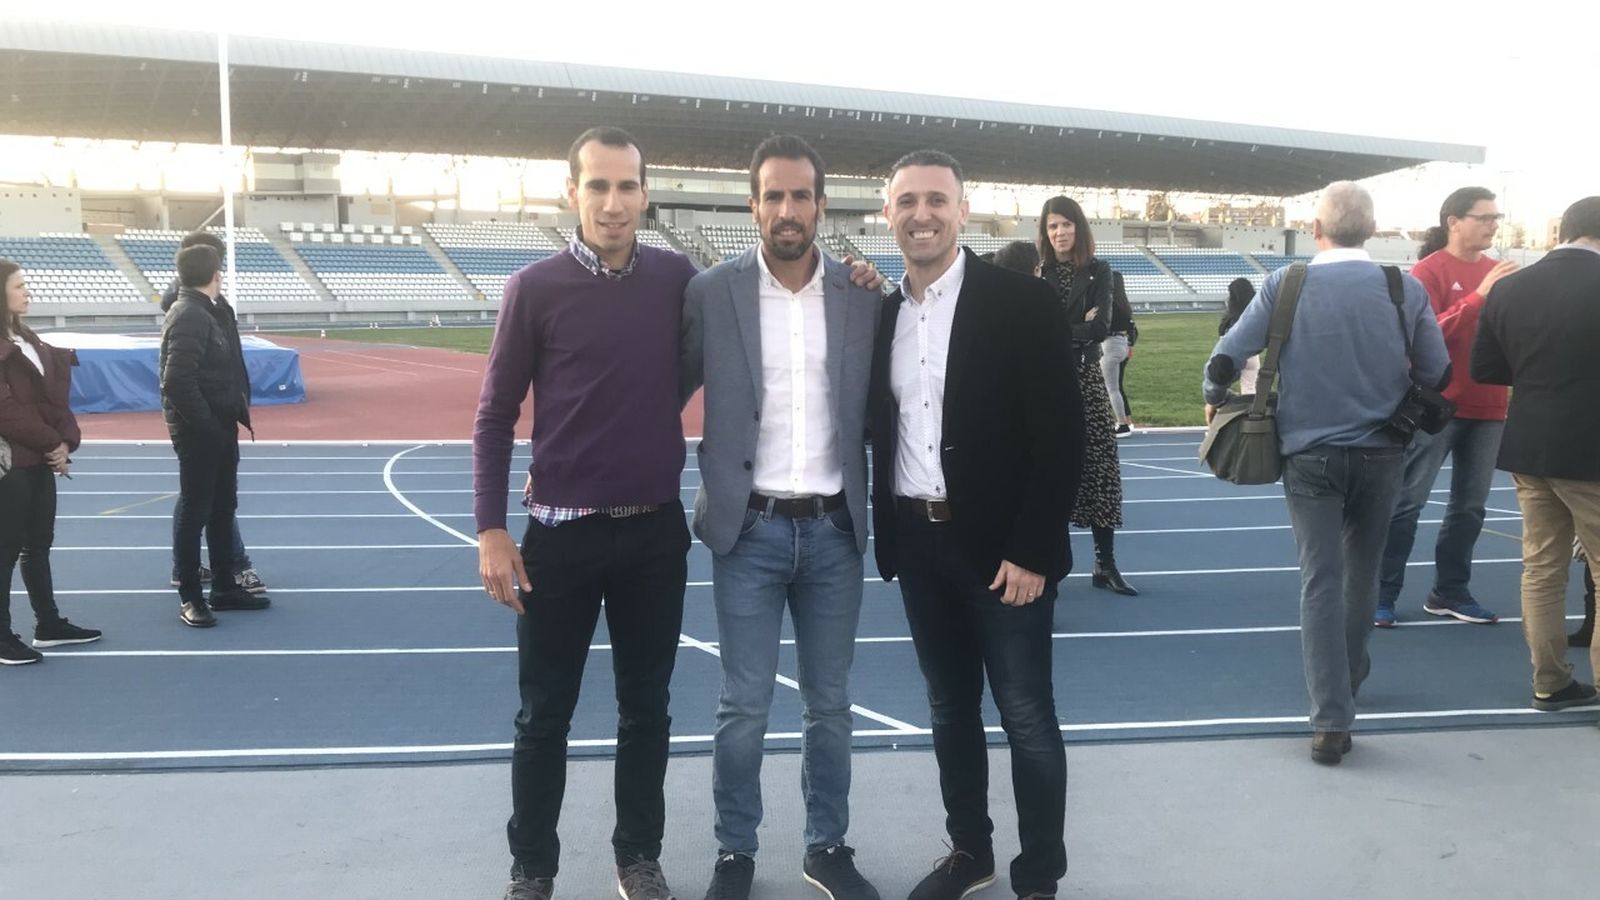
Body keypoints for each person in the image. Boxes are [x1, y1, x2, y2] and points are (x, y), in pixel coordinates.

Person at [473, 127, 695, 900]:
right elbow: (496, 413)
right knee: (543, 716)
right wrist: (491, 528)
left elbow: (725, 341)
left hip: (655, 535)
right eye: (597, 186)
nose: (612, 201)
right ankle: (532, 868)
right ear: (572, 193)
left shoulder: (677, 279)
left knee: (647, 710)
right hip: (557, 541)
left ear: (645, 193)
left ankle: (638, 855)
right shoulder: (532, 288)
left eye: (627, 186)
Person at [870, 149, 1083, 900]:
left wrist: (1032, 549)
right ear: (887, 214)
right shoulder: (884, 312)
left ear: (962, 211)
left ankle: (1038, 877)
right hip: (918, 542)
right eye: (906, 201)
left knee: (1026, 715)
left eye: (936, 200)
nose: (921, 213)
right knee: (948, 707)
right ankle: (971, 852)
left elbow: (1064, 437)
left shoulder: (1018, 302)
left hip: (1004, 553)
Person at [679, 134, 882, 900]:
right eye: (774, 195)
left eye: (802, 196)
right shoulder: (711, 293)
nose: (788, 210)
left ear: (821, 206)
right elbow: (658, 393)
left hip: (833, 532)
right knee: (745, 706)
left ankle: (827, 846)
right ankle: (736, 853)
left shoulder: (861, 293)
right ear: (753, 205)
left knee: (830, 705)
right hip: (748, 532)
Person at [1203, 182, 1449, 764]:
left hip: (1309, 455)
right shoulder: (1402, 287)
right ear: (1371, 228)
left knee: (1320, 580)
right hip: (1383, 453)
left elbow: (1226, 356)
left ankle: (1330, 719)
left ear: (1318, 230)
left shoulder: (1286, 282)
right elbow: (1437, 370)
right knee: (1362, 576)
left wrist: (1214, 393)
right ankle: (1349, 678)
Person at [1470, 195, 1600, 712]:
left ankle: (1550, 680)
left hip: (1529, 443)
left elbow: (1485, 368)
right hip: (1591, 449)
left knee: (1542, 568)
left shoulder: (1510, 287)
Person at [1375, 187, 1518, 628]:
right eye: (1484, 217)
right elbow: (1422, 335)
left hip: (1490, 406)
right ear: (1453, 222)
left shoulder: (1503, 272)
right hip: (1437, 407)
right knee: (1407, 501)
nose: (1493, 224)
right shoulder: (1428, 270)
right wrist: (1478, 298)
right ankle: (1382, 592)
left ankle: (1449, 590)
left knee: (1471, 507)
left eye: (1497, 217)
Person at [161, 244, 267, 628]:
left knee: (222, 508)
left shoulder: (212, 311)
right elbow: (175, 381)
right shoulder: (190, 313)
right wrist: (207, 425)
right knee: (195, 512)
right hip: (200, 432)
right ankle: (191, 597)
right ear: (216, 274)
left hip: (219, 425)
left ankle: (223, 586)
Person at [0, 260, 101, 664]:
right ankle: (2, 635)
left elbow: (51, 400)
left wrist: (65, 443)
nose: (28, 292)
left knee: (38, 544)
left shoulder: (26, 337)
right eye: (19, 286)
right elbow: (5, 410)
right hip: (10, 462)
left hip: (38, 458)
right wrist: (50, 443)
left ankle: (48, 624)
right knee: (6, 549)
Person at [1038, 196, 1136, 596]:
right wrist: (1075, 325)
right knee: (1046, 473)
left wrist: (1063, 328)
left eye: (1066, 224)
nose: (1059, 233)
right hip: (1044, 383)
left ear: (1079, 228)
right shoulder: (1036, 273)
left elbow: (1101, 331)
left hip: (1086, 379)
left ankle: (1104, 563)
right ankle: (1047, 568)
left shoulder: (1100, 272)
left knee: (1101, 469)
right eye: (1052, 226)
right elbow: (1034, 331)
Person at [1101, 270, 1136, 437]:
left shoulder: (1110, 303)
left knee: (1111, 388)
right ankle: (1123, 420)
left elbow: (1103, 326)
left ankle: (1122, 423)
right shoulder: (1124, 304)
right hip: (1122, 343)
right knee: (1115, 386)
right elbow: (1131, 327)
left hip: (1110, 344)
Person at [1218, 277, 1260, 395]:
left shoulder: (1231, 315)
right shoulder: (1256, 311)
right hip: (1252, 354)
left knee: (1220, 387)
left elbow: (1224, 334)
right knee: (1249, 387)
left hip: (1231, 353)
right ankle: (1250, 411)